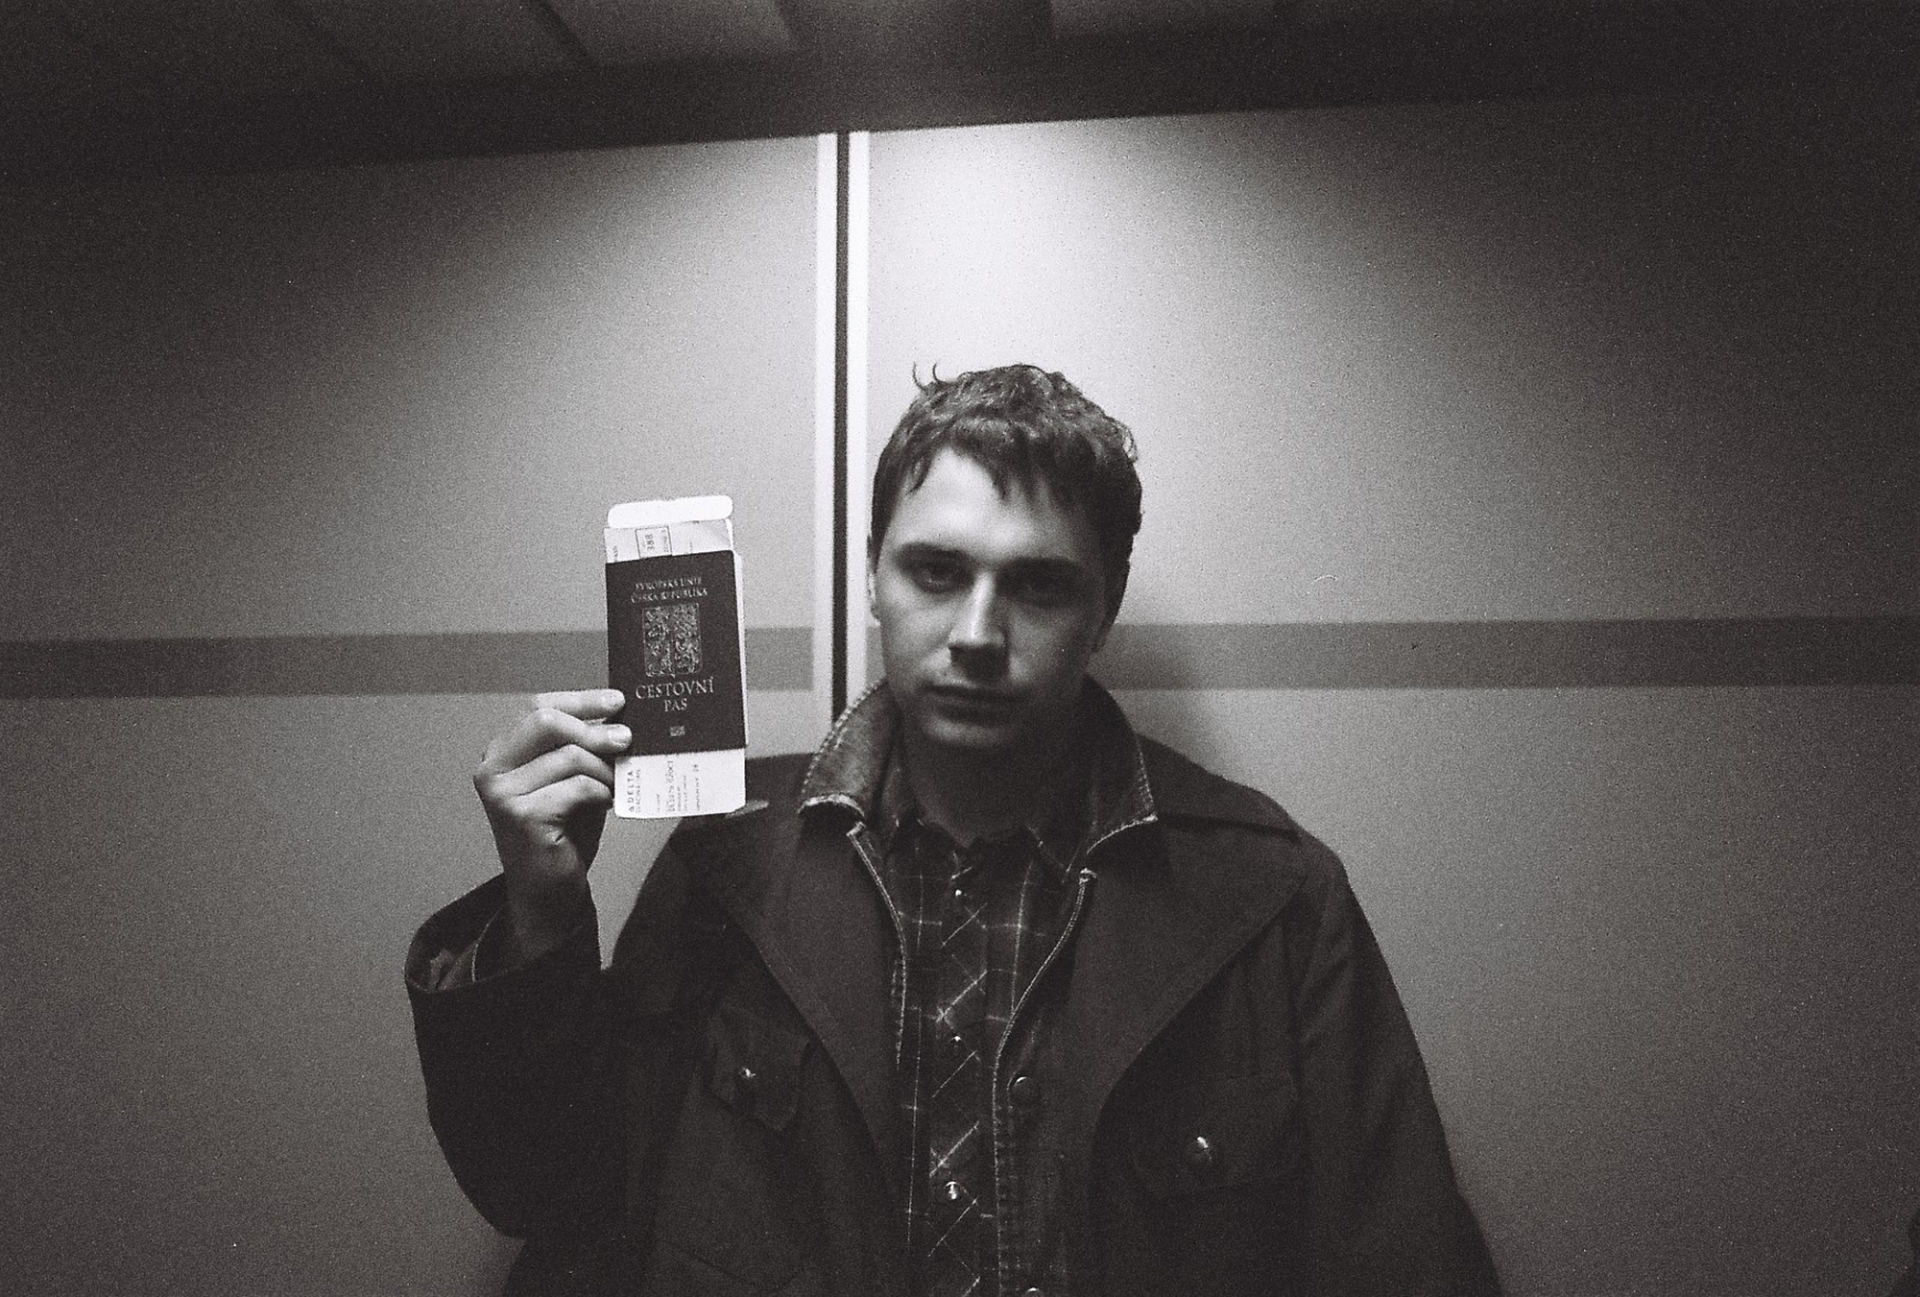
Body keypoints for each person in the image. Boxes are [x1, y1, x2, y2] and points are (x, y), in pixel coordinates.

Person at [407, 364, 1502, 1296]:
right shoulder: (726, 865)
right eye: (936, 571)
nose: (978, 633)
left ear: (1105, 606)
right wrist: (543, 914)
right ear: (873, 576)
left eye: (1038, 586)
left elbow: (1408, 1262)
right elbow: (555, 1196)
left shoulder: (1269, 899)